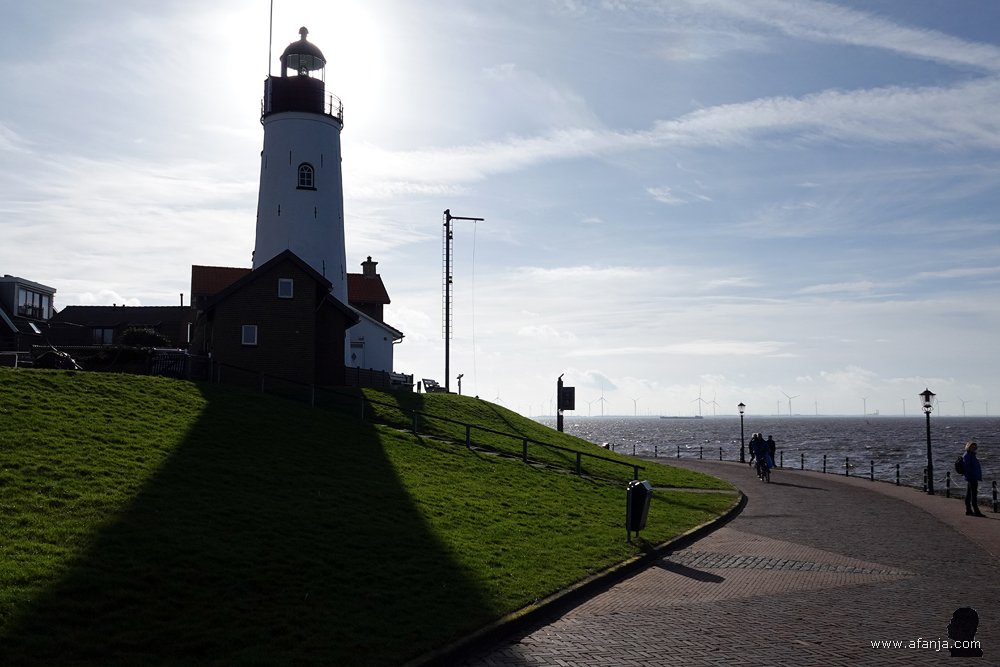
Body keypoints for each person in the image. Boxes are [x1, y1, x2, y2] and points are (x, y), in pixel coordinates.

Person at [963, 441, 985, 517]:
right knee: (973, 494)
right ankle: (976, 511)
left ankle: (968, 510)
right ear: (969, 447)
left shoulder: (971, 455)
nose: (974, 448)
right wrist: (971, 475)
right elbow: (967, 467)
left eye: (975, 447)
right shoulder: (968, 456)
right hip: (972, 477)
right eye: (973, 447)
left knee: (969, 493)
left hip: (972, 476)